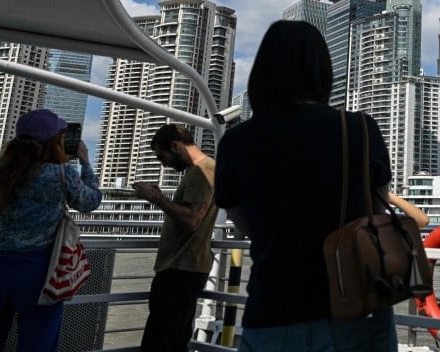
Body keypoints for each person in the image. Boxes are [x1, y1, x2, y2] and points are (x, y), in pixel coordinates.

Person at [214, 20, 396, 351]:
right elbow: (378, 208)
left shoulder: (235, 142)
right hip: (356, 308)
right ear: (323, 72)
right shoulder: (358, 129)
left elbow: (244, 223)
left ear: (262, 72)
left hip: (272, 311)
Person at [0, 109, 101, 352]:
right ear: (53, 141)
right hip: (39, 272)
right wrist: (85, 162)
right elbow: (90, 201)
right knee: (38, 344)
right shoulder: (59, 173)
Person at [132, 123, 218, 352]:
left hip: (181, 269)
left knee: (160, 342)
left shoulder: (202, 170)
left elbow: (192, 219)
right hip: (182, 268)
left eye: (162, 157)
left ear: (175, 146)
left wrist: (157, 198)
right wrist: (160, 196)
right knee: (172, 339)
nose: (164, 164)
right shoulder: (200, 169)